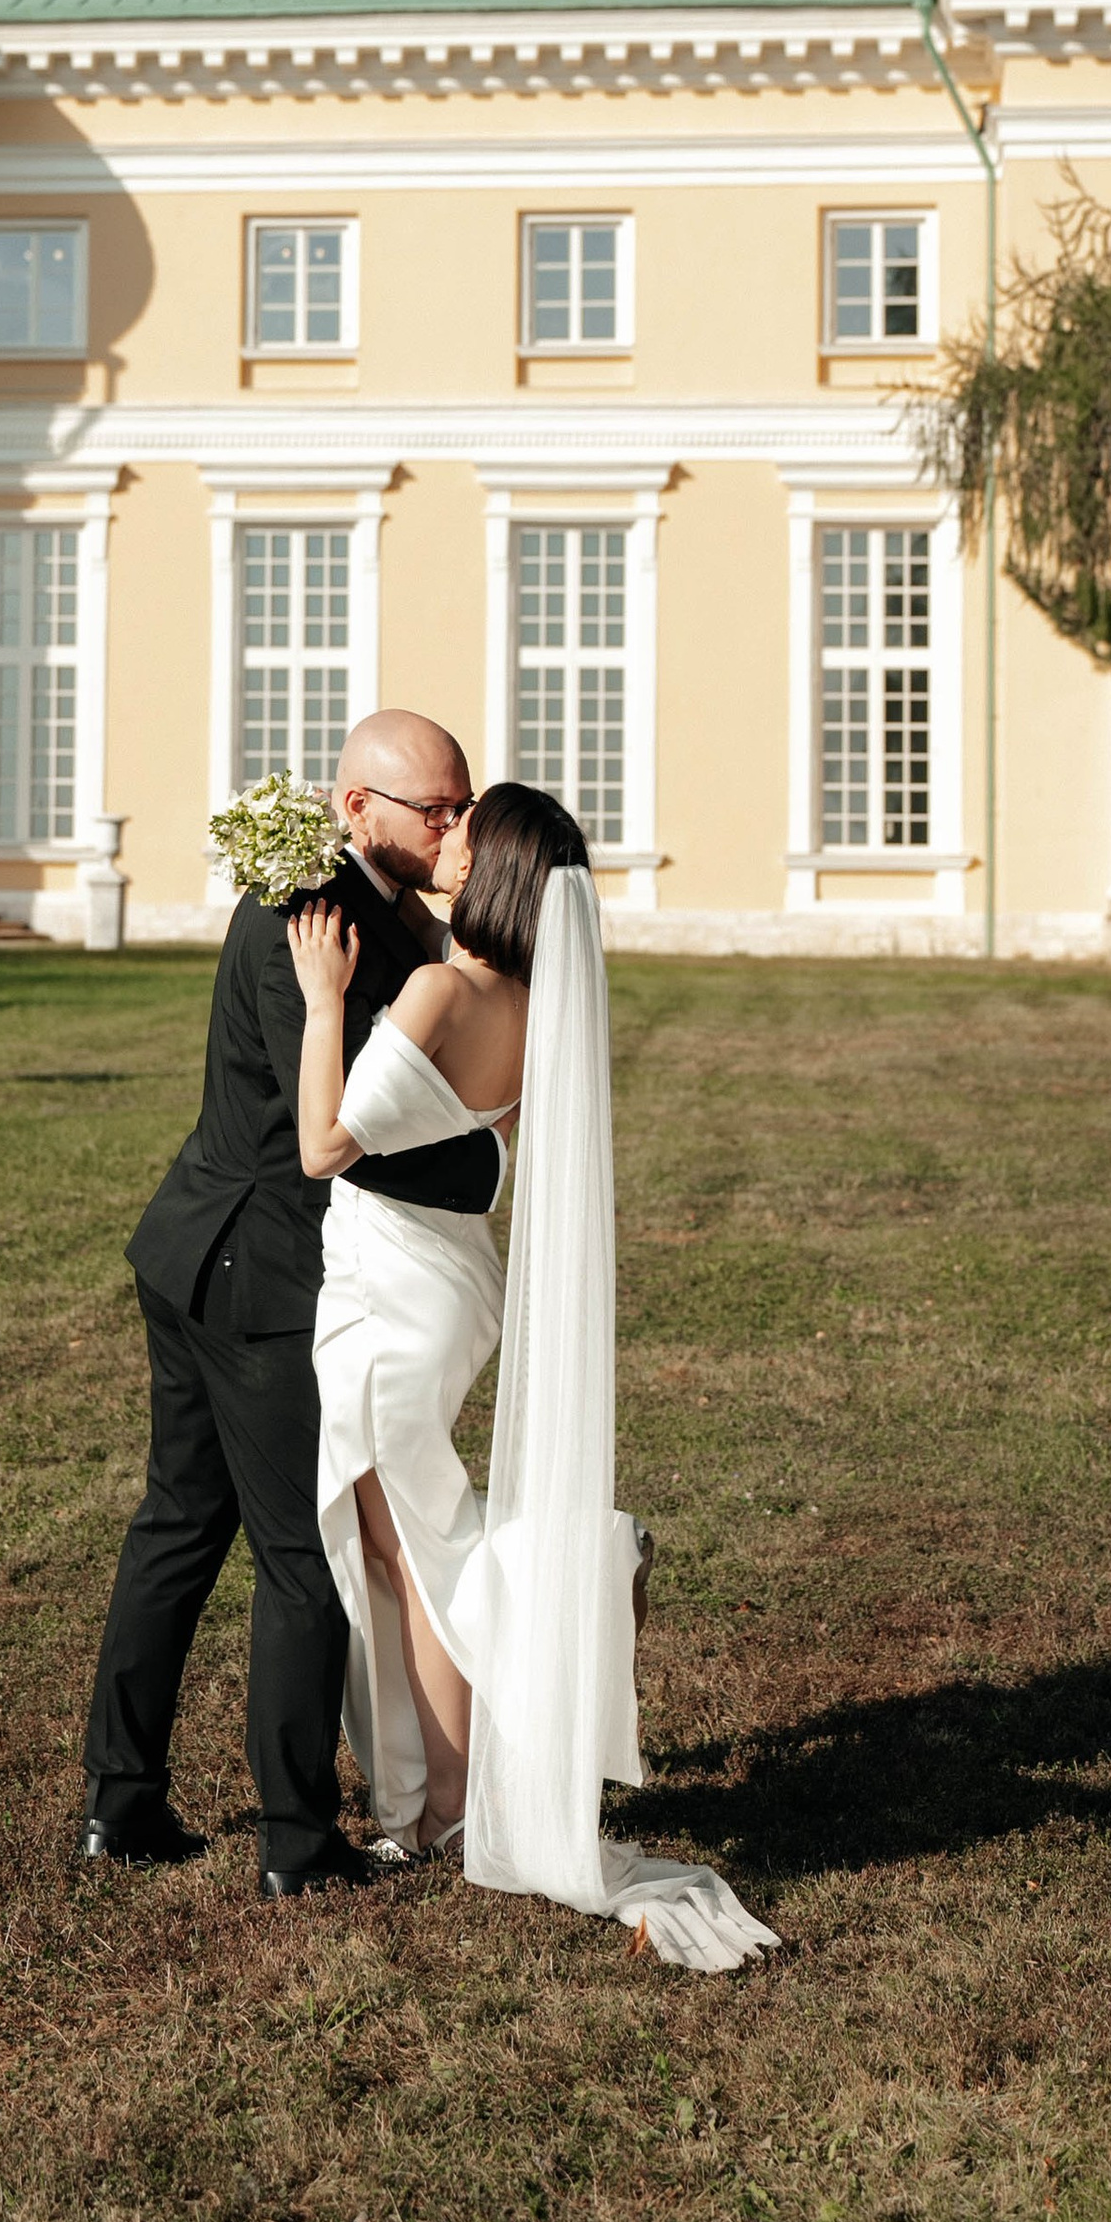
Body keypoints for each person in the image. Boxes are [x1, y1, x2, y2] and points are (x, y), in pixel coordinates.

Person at [289, 783, 779, 1972]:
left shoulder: (440, 990)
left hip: (387, 1311)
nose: (444, 839)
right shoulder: (529, 1006)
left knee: (411, 1550)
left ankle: (447, 1802)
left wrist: (320, 1003)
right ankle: (446, 1789)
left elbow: (322, 1146)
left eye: (464, 829)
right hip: (448, 1294)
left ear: (495, 864)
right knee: (419, 1539)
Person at [79, 712, 505, 1898]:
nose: (455, 824)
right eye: (436, 808)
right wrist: (489, 1166)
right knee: (294, 1556)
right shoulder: (310, 919)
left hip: (201, 1247)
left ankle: (124, 1807)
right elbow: (349, 1137)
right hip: (250, 1273)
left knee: (180, 1526)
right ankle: (296, 1842)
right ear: (358, 806)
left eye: (463, 802)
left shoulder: (368, 903)